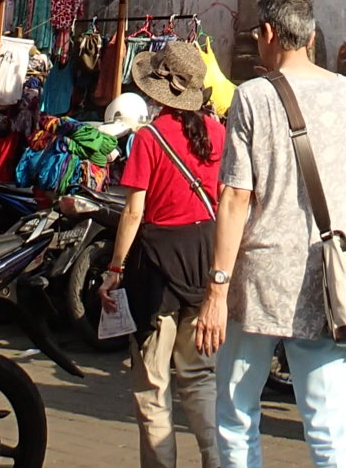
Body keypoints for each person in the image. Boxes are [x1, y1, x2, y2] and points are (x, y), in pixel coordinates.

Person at [194, 0, 346, 468]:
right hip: (323, 273)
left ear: (268, 35)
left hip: (260, 275)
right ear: (310, 36)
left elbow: (234, 198)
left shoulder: (253, 96)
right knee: (330, 417)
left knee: (237, 412)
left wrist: (216, 289)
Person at [102, 40, 223, 468]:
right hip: (206, 256)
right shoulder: (217, 132)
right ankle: (218, 460)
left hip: (156, 263)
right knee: (200, 378)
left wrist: (115, 267)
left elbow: (133, 212)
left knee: (153, 387)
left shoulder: (150, 138)